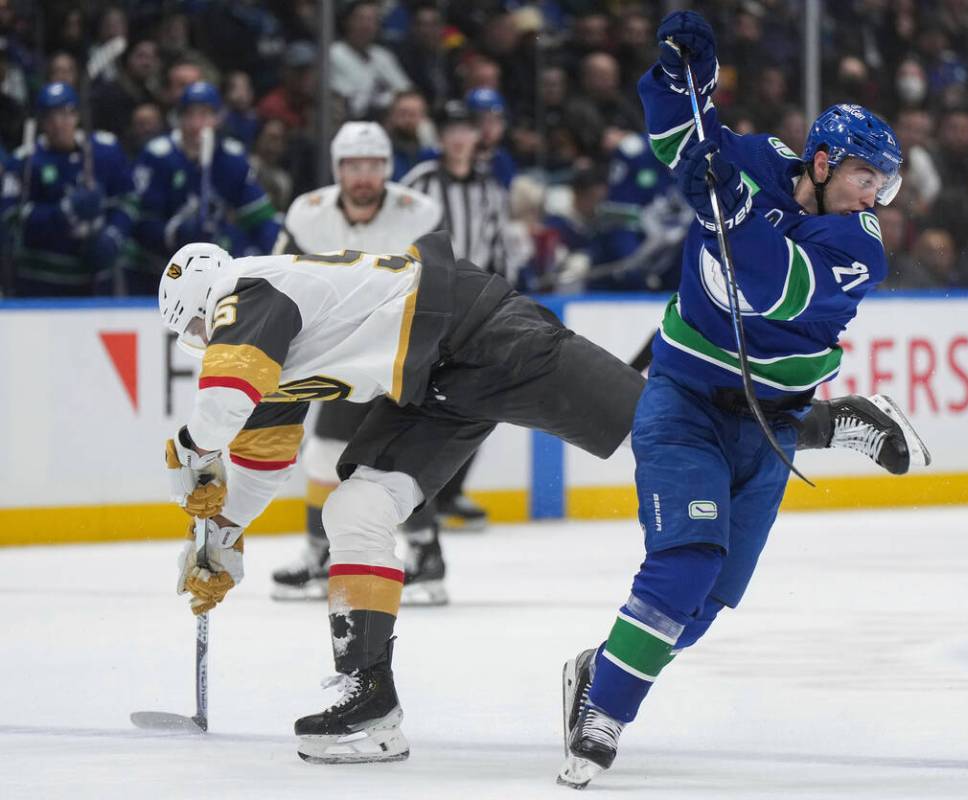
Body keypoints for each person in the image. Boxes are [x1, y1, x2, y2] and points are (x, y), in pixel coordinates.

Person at [557, 12, 928, 789]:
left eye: (882, 185)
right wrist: (679, 82)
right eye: (867, 177)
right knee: (687, 563)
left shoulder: (860, 248)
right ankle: (605, 713)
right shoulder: (759, 161)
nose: (875, 197)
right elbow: (679, 143)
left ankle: (603, 666)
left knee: (707, 605)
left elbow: (775, 290)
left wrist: (727, 213)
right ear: (822, 162)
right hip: (684, 402)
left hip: (771, 428)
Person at [158, 233, 646, 763]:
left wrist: (191, 450)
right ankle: (370, 704)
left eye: (199, 329)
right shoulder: (266, 354)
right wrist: (222, 534)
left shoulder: (246, 289)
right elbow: (261, 464)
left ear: (209, 304)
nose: (206, 343)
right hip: (429, 387)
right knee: (355, 510)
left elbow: (222, 404)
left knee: (653, 427)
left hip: (481, 330)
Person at [268, 121, 446, 604]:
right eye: (353, 166)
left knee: (401, 456)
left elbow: (446, 285)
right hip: (342, 353)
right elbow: (281, 281)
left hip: (405, 350)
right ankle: (320, 552)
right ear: (337, 170)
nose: (364, 177)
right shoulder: (308, 214)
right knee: (325, 452)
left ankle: (427, 555)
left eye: (373, 166)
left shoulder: (419, 213)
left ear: (387, 168)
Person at [401, 99, 517, 530]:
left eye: (466, 129)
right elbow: (401, 240)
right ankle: (411, 491)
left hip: (475, 307)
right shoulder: (420, 181)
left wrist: (507, 295)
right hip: (423, 305)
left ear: (476, 135)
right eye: (451, 130)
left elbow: (500, 245)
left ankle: (449, 492)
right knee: (415, 396)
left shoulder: (489, 187)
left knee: (479, 396)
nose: (458, 138)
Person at [132, 81, 280, 294]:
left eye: (205, 115)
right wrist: (173, 232)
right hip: (161, 271)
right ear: (178, 118)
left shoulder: (232, 158)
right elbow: (141, 222)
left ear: (218, 118)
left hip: (214, 274)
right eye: (190, 115)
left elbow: (261, 219)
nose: (196, 124)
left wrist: (269, 261)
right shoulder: (158, 156)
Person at [0, 82, 133, 296]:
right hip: (41, 282)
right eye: (50, 117)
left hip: (96, 281)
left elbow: (127, 200)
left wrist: (114, 234)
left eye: (65, 114)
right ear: (41, 123)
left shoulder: (106, 151)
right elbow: (9, 218)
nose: (58, 123)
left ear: (77, 115)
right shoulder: (24, 161)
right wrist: (61, 214)